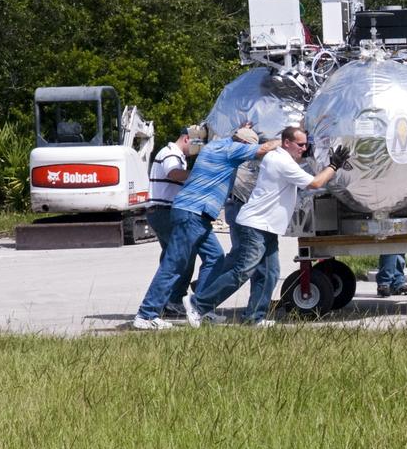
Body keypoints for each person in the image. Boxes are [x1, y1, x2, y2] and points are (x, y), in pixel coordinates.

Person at [187, 127, 347, 327]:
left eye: (306, 144)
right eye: (300, 144)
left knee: (269, 272)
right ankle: (197, 304)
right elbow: (315, 183)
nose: (304, 148)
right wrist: (334, 165)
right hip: (255, 225)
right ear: (286, 143)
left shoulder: (279, 158)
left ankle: (254, 317)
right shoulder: (281, 162)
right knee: (242, 270)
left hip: (267, 226)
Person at [132, 126, 279, 330]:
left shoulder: (219, 145)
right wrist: (287, 140)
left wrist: (243, 128)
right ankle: (146, 314)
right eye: (247, 150)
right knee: (175, 264)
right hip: (191, 213)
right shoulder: (231, 149)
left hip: (198, 214)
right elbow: (263, 149)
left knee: (215, 257)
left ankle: (201, 308)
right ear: (243, 144)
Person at [147, 126, 204, 317]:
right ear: (187, 139)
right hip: (165, 212)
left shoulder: (174, 154)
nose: (195, 151)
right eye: (196, 145)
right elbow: (174, 173)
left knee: (171, 258)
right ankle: (173, 300)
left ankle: (164, 301)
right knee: (181, 258)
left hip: (160, 212)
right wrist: (201, 174)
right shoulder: (172, 154)